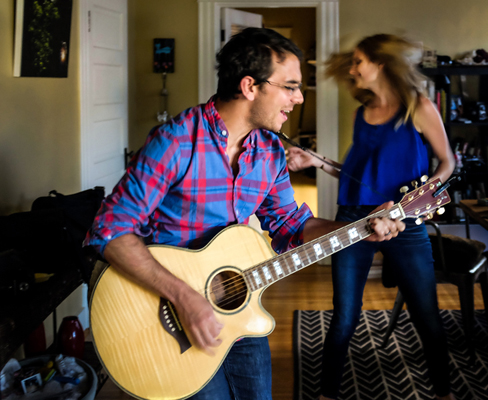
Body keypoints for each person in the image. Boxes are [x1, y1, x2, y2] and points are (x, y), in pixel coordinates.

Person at [83, 28, 405, 400]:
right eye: (290, 86)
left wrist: (361, 228)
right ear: (250, 86)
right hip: (166, 316)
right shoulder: (175, 142)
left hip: (239, 312)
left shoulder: (268, 151)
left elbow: (292, 226)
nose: (299, 98)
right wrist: (186, 299)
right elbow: (108, 231)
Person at [286, 34, 456, 400]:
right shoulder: (361, 114)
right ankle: (326, 394)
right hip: (351, 222)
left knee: (426, 314)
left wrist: (401, 206)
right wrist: (316, 161)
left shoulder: (418, 107)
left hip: (404, 222)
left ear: (380, 64)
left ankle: (444, 394)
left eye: (358, 61)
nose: (352, 69)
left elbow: (448, 163)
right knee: (344, 315)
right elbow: (358, 175)